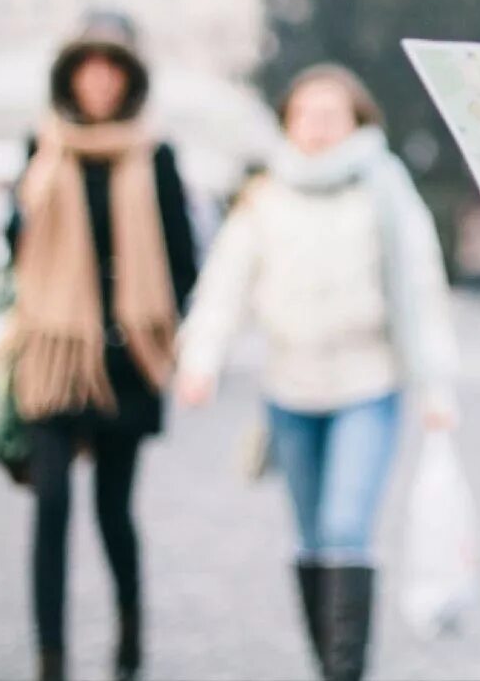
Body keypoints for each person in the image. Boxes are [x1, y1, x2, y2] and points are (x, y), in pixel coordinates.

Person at [175, 64, 459, 681]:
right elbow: (224, 287)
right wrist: (201, 360)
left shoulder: (385, 188)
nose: (318, 127)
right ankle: (326, 666)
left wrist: (436, 386)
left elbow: (420, 288)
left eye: (332, 115)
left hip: (368, 385)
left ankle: (343, 674)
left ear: (358, 121)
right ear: (287, 122)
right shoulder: (264, 195)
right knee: (309, 539)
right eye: (306, 114)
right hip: (289, 391)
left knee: (345, 528)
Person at [8, 12, 198, 681]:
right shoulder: (42, 146)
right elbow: (16, 249)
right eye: (87, 67)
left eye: (111, 67)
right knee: (52, 501)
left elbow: (183, 260)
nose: (99, 80)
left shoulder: (156, 154)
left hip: (126, 357)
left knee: (113, 509)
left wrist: (160, 330)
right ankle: (50, 657)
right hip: (54, 352)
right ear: (69, 77)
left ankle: (128, 634)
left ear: (129, 79)